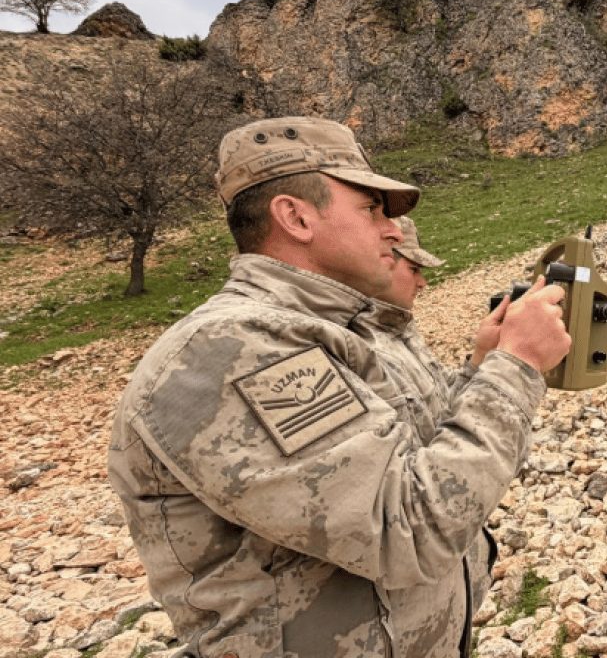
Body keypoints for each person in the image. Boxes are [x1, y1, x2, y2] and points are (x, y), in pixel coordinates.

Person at [107, 116, 571, 658]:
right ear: (296, 216)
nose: (394, 231)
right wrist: (516, 365)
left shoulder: (347, 330)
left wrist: (482, 370)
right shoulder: (231, 348)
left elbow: (420, 455)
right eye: (371, 209)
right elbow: (407, 527)